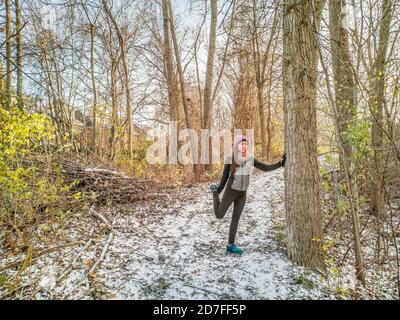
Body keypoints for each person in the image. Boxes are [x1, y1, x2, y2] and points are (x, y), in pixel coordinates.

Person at [209, 135, 286, 255]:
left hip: (242, 193)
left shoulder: (250, 158)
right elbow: (225, 176)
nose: (244, 146)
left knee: (235, 219)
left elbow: (265, 168)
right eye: (241, 143)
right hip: (231, 190)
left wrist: (280, 164)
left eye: (245, 144)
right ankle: (213, 193)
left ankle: (230, 245)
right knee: (219, 215)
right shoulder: (231, 158)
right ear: (236, 146)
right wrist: (218, 190)